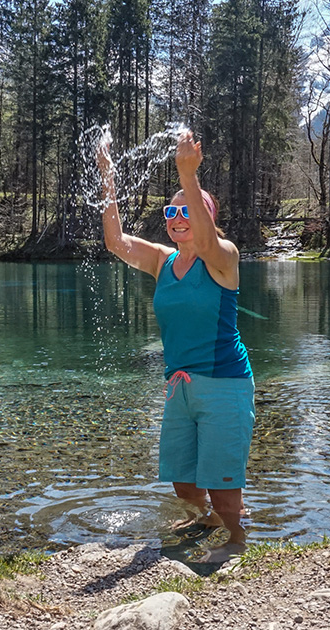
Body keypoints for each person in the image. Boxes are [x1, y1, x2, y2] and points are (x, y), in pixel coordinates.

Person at [97, 128, 255, 563]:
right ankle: (205, 519)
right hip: (179, 385)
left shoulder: (223, 256)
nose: (178, 216)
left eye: (189, 209)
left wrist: (189, 174)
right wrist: (108, 177)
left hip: (224, 382)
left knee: (223, 485)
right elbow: (116, 243)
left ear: (207, 216)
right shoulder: (163, 261)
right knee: (184, 481)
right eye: (172, 210)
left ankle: (237, 536)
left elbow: (204, 241)